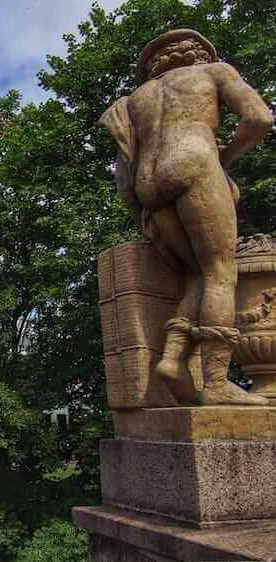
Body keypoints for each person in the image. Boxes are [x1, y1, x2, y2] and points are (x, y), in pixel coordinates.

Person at [100, 29, 274, 405]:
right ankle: (216, 385)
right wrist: (223, 157)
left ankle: (172, 358)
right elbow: (259, 118)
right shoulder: (214, 72)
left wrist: (140, 211)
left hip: (150, 185)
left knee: (198, 272)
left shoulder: (133, 101)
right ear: (198, 53)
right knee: (221, 272)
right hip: (194, 161)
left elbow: (123, 173)